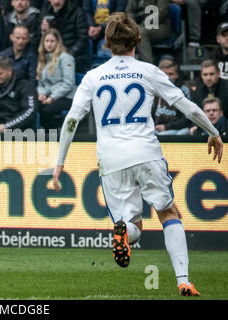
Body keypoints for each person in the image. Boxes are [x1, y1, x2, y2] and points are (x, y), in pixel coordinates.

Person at [52, 13, 223, 297]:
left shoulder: (93, 76)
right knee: (169, 213)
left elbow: (71, 120)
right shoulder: (148, 71)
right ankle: (183, 280)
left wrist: (59, 163)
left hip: (111, 158)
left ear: (106, 43)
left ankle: (124, 233)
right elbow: (185, 105)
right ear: (138, 39)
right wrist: (212, 130)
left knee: (134, 225)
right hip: (145, 152)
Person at [0, 56, 37, 132]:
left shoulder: (25, 85)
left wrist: (7, 126)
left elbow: (29, 112)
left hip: (19, 131)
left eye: (0, 74)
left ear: (9, 70)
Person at [36, 28, 76, 130]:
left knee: (47, 110)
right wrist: (42, 94)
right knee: (34, 106)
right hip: (50, 96)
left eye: (52, 41)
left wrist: (52, 97)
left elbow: (68, 83)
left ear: (58, 42)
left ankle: (52, 134)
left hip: (67, 97)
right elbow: (41, 84)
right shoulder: (43, 58)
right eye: (47, 41)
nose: (49, 44)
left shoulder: (66, 57)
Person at [40, 0, 89, 73]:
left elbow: (83, 39)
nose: (56, 1)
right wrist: (43, 31)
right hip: (51, 55)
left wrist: (66, 55)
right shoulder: (45, 13)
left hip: (73, 56)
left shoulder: (77, 12)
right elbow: (39, 40)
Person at [152, 59, 191, 135]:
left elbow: (187, 119)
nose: (167, 78)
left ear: (176, 75)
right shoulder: (153, 91)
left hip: (177, 129)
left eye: (171, 74)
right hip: (156, 128)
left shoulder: (184, 91)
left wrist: (166, 127)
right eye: (164, 74)